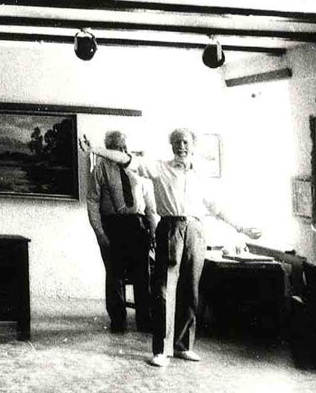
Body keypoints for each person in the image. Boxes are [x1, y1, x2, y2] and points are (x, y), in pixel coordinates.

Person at [82, 128, 260, 367]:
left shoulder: (200, 175)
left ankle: (183, 346)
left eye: (185, 142)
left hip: (195, 230)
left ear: (193, 145)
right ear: (171, 146)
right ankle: (161, 351)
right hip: (170, 228)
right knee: (164, 289)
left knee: (191, 289)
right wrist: (95, 149)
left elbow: (216, 208)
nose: (181, 146)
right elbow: (126, 159)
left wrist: (242, 228)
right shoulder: (160, 168)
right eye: (176, 142)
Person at [86, 130, 158, 333]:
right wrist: (100, 233)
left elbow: (150, 204)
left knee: (142, 274)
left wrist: (153, 230)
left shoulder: (137, 168)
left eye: (125, 146)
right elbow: (92, 201)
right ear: (109, 148)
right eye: (118, 147)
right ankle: (118, 321)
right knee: (115, 274)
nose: (123, 150)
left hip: (138, 224)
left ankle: (144, 319)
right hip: (113, 225)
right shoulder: (100, 169)